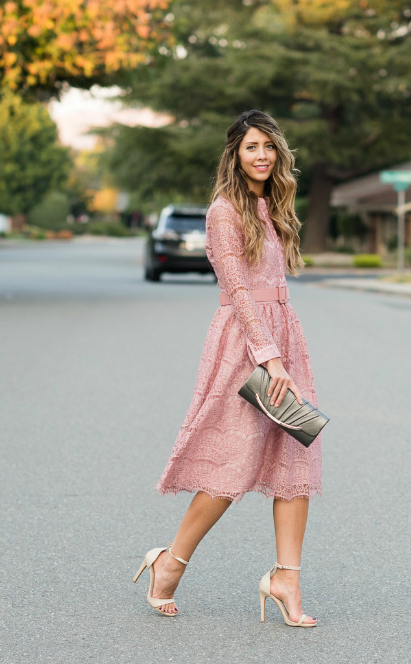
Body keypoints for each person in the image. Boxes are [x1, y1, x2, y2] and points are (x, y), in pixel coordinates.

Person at [133, 110, 322, 627]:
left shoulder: (272, 205)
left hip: (282, 334)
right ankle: (169, 563)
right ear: (234, 156)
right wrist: (270, 356)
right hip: (248, 345)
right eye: (250, 147)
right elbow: (238, 293)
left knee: (295, 457)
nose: (261, 155)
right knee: (230, 463)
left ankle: (287, 578)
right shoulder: (222, 211)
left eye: (268, 146)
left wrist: (284, 348)